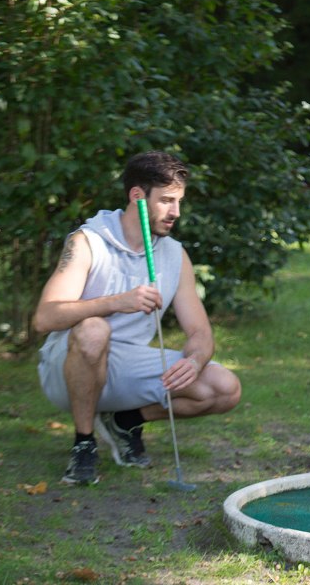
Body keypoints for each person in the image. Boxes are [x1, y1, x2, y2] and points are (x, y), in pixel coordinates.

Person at [32, 151, 242, 486]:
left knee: (224, 388)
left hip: (126, 366)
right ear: (137, 196)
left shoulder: (174, 253)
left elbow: (200, 331)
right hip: (66, 366)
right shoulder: (88, 242)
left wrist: (197, 359)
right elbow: (44, 318)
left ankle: (124, 421)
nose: (175, 212)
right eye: (167, 201)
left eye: (179, 201)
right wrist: (117, 302)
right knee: (93, 330)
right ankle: (83, 444)